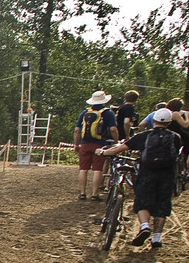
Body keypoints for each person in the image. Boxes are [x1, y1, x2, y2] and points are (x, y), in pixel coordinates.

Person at [97, 108, 178, 250]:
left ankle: (145, 226)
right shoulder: (175, 137)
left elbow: (119, 149)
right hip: (167, 174)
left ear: (153, 121)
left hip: (147, 172)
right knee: (162, 205)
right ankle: (156, 238)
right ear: (169, 122)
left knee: (142, 201)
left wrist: (103, 152)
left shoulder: (144, 136)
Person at [73, 90, 119, 201]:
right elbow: (113, 129)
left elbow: (77, 130)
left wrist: (76, 144)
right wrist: (116, 142)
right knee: (97, 169)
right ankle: (94, 194)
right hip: (99, 144)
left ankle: (82, 193)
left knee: (83, 169)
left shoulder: (85, 113)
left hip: (85, 144)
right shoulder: (108, 113)